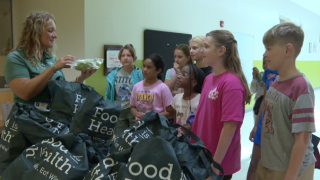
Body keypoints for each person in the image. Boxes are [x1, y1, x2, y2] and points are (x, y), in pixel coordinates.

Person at [256, 22, 316, 180]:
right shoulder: (276, 81)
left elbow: (302, 140)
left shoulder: (301, 87)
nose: (265, 54)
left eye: (269, 49)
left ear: (288, 50)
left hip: (290, 171)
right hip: (270, 164)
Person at [4, 11, 95, 110]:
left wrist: (81, 78)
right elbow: (25, 93)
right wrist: (53, 68)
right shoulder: (15, 58)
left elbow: (63, 91)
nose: (55, 36)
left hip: (54, 120)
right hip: (30, 121)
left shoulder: (51, 59)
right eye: (50, 30)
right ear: (35, 32)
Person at [192, 30, 251, 180]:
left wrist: (215, 166)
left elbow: (229, 127)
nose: (202, 50)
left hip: (217, 163)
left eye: (206, 46)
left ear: (221, 51)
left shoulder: (231, 83)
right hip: (202, 155)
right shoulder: (209, 78)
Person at [247, 67, 278, 180]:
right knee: (255, 162)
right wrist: (256, 126)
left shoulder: (294, 78)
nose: (265, 55)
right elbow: (265, 99)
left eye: (269, 49)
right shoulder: (268, 73)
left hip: (279, 126)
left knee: (273, 167)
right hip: (263, 122)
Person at [105, 44, 143, 135]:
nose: (125, 58)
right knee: (120, 136)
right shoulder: (114, 74)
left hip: (134, 109)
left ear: (135, 58)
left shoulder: (139, 74)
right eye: (123, 56)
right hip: (119, 110)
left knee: (135, 135)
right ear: (120, 58)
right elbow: (108, 93)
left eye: (129, 55)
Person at [131, 54, 174, 121]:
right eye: (144, 66)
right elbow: (132, 107)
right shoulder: (136, 86)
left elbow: (171, 113)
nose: (145, 69)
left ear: (158, 70)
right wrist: (137, 114)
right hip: (140, 127)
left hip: (156, 128)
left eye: (149, 67)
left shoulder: (162, 88)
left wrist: (153, 116)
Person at [171, 64, 205, 133]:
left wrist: (192, 127)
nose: (179, 77)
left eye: (184, 74)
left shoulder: (201, 99)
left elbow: (204, 122)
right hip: (179, 139)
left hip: (194, 140)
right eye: (179, 73)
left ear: (194, 82)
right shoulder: (176, 98)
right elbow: (175, 120)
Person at [251, 57, 267, 122]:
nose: (266, 65)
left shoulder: (276, 77)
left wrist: (266, 85)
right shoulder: (260, 75)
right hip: (258, 105)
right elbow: (253, 90)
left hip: (268, 106)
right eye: (264, 63)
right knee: (257, 124)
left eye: (268, 62)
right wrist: (254, 78)